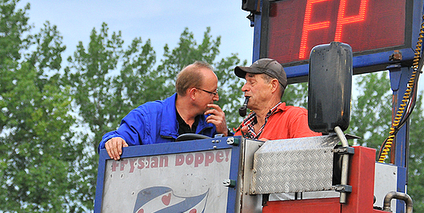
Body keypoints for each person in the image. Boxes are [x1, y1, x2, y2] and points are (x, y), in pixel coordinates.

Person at [100, 61, 228, 160]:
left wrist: (224, 134)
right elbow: (116, 138)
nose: (216, 98)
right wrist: (114, 141)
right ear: (193, 93)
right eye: (213, 92)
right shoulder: (147, 118)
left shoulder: (213, 124)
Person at [234, 58, 320, 140]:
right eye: (246, 82)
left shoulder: (297, 118)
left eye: (252, 82)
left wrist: (272, 149)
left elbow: (312, 154)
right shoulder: (242, 130)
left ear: (273, 86)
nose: (244, 88)